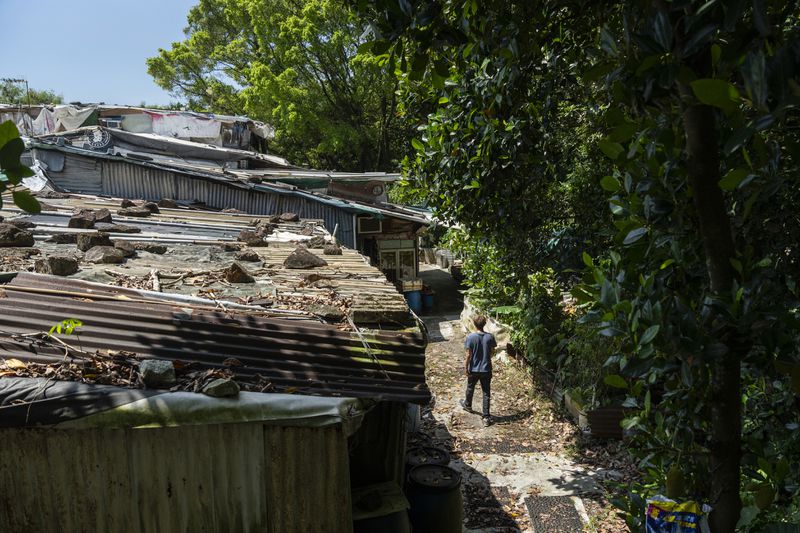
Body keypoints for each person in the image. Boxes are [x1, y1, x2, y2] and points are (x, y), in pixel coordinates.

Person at [460, 314, 497, 427]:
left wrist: (466, 367)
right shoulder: (490, 337)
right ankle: (486, 416)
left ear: (474, 324)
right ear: (484, 324)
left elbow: (468, 355)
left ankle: (468, 405)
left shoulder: (471, 337)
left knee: (470, 387)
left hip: (474, 369)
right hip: (486, 369)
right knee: (486, 392)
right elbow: (492, 351)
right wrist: (487, 357)